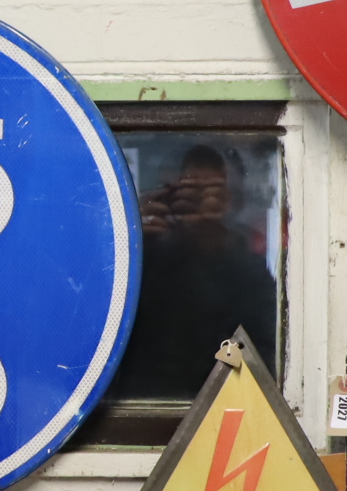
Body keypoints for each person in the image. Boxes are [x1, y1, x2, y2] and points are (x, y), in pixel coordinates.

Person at [111, 145, 279, 400]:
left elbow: (267, 357)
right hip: (141, 406)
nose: (198, 204)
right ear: (167, 195)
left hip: (224, 404)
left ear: (231, 201)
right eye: (188, 193)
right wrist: (131, 241)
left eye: (211, 193)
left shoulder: (248, 269)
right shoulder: (141, 258)